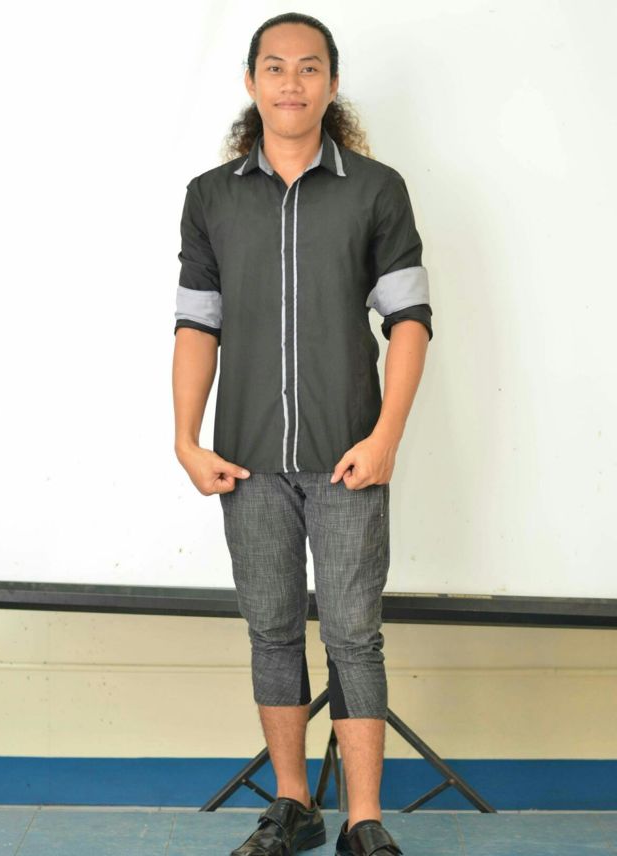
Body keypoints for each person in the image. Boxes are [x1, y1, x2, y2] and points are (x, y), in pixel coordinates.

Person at [172, 12, 433, 856]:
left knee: (354, 635)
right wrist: (186, 439)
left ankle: (363, 818)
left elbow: (410, 321)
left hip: (349, 456)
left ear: (331, 83)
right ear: (252, 82)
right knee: (274, 631)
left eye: (310, 67)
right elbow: (196, 327)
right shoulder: (211, 197)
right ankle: (294, 806)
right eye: (276, 67)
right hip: (245, 461)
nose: (292, 82)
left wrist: (387, 435)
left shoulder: (375, 190)